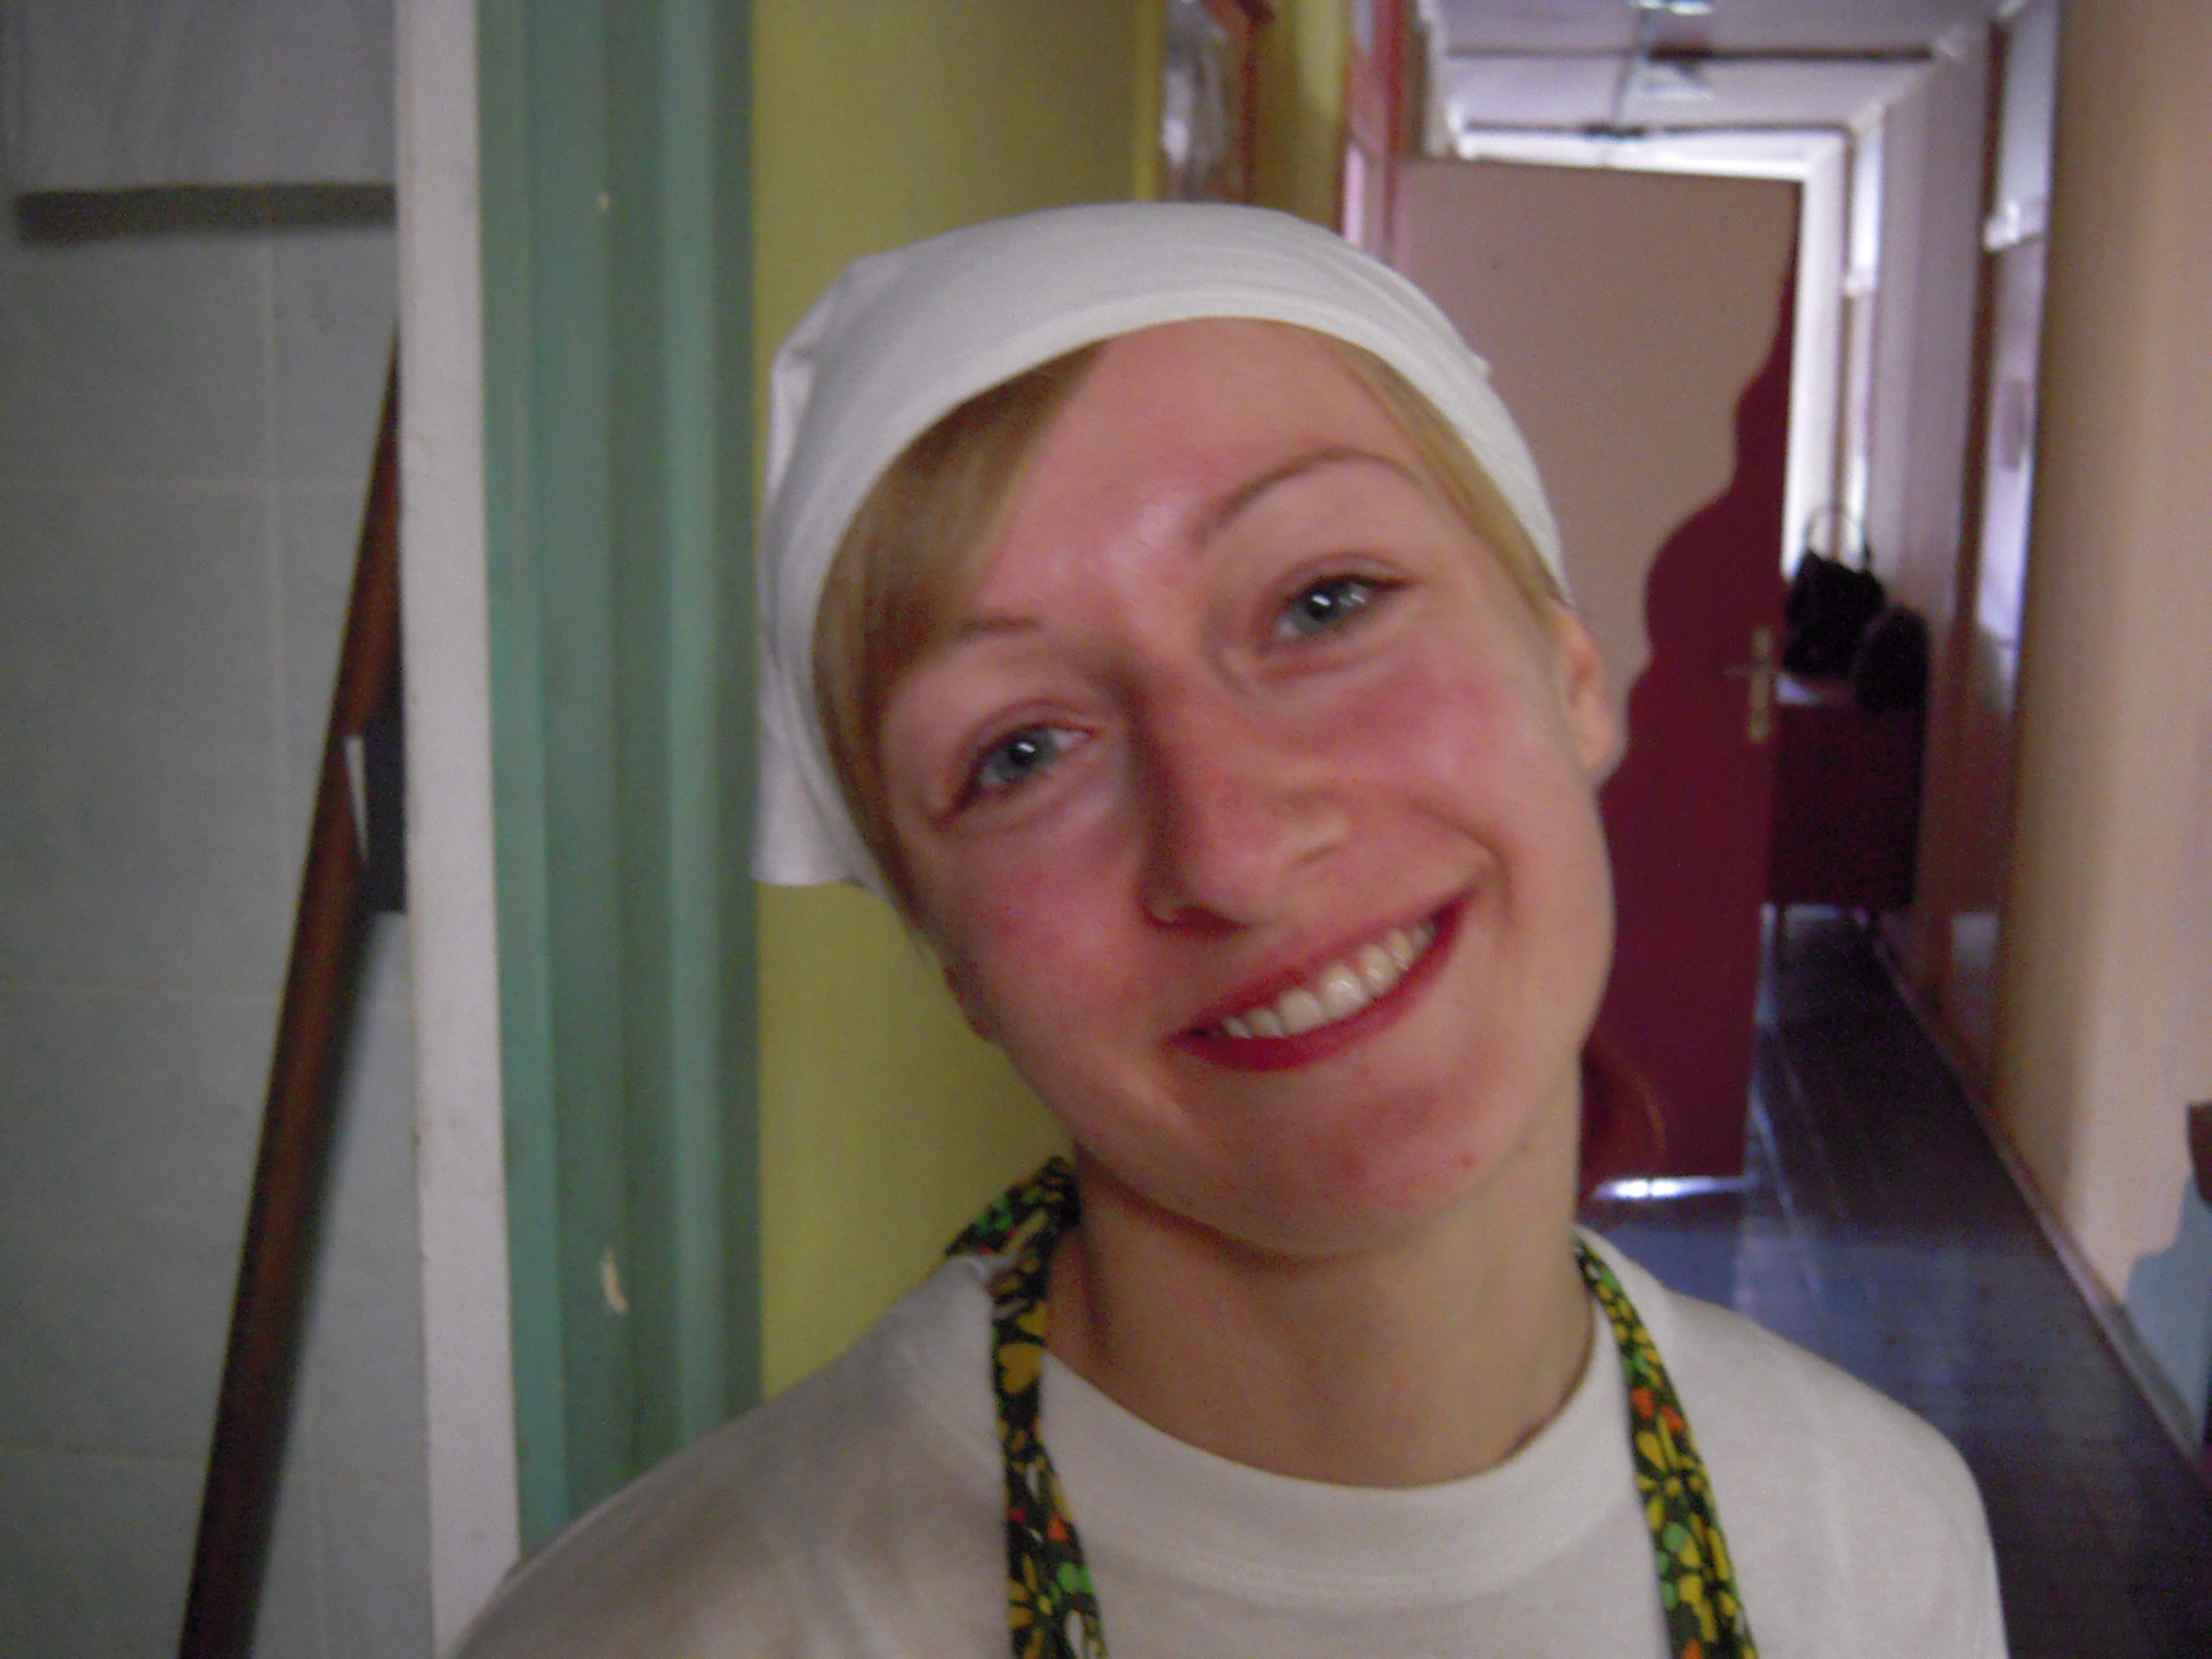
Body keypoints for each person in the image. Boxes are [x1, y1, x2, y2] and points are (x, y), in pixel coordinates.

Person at [452, 203, 2005, 1658]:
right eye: (1020, 753)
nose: (1233, 853)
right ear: (949, 954)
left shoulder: (1882, 1543)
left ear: (1572, 669)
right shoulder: (686, 1625)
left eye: (1325, 602)